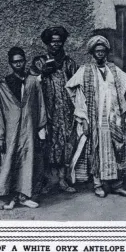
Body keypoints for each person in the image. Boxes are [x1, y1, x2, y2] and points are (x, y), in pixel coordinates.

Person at [65, 35, 126, 198]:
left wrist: (124, 111)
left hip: (113, 118)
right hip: (95, 118)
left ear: (107, 52)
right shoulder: (85, 70)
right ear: (92, 53)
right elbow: (73, 89)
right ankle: (98, 184)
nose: (100, 54)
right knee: (97, 150)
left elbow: (121, 88)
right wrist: (83, 118)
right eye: (97, 51)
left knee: (117, 149)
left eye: (103, 51)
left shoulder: (113, 69)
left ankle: (117, 185)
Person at [30, 26, 78, 193]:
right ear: (47, 43)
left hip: (66, 111)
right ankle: (49, 180)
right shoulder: (39, 62)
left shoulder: (69, 63)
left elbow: (76, 86)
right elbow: (30, 85)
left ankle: (63, 179)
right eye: (52, 42)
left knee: (65, 142)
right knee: (48, 143)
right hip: (47, 110)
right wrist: (42, 75)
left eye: (59, 42)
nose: (56, 45)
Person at [0, 47, 47, 210]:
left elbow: (40, 104)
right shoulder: (4, 85)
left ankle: (23, 196)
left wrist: (41, 129)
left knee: (28, 161)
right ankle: (8, 197)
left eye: (21, 60)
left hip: (28, 129)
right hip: (11, 131)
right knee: (9, 161)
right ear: (10, 64)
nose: (18, 64)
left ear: (25, 61)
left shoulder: (33, 81)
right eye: (15, 61)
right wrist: (1, 134)